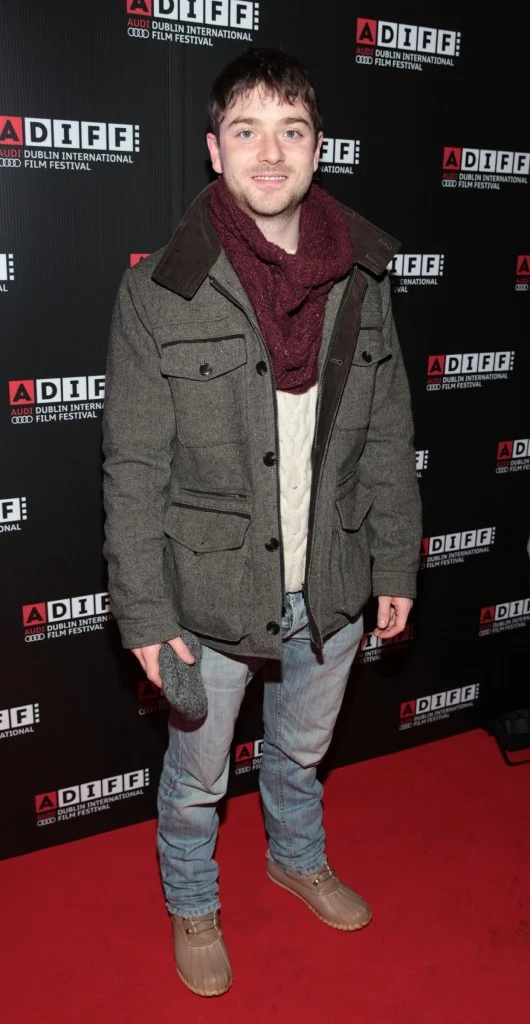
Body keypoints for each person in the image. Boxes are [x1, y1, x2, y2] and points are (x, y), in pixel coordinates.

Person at [102, 47, 422, 998]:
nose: (271, 153)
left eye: (292, 130)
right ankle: (193, 902)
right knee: (198, 778)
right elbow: (133, 469)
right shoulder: (157, 292)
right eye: (247, 131)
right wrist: (145, 614)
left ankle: (295, 857)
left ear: (319, 149)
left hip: (333, 577)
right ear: (215, 149)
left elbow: (389, 430)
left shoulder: (364, 280)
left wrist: (396, 563)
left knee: (303, 751)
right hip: (208, 594)